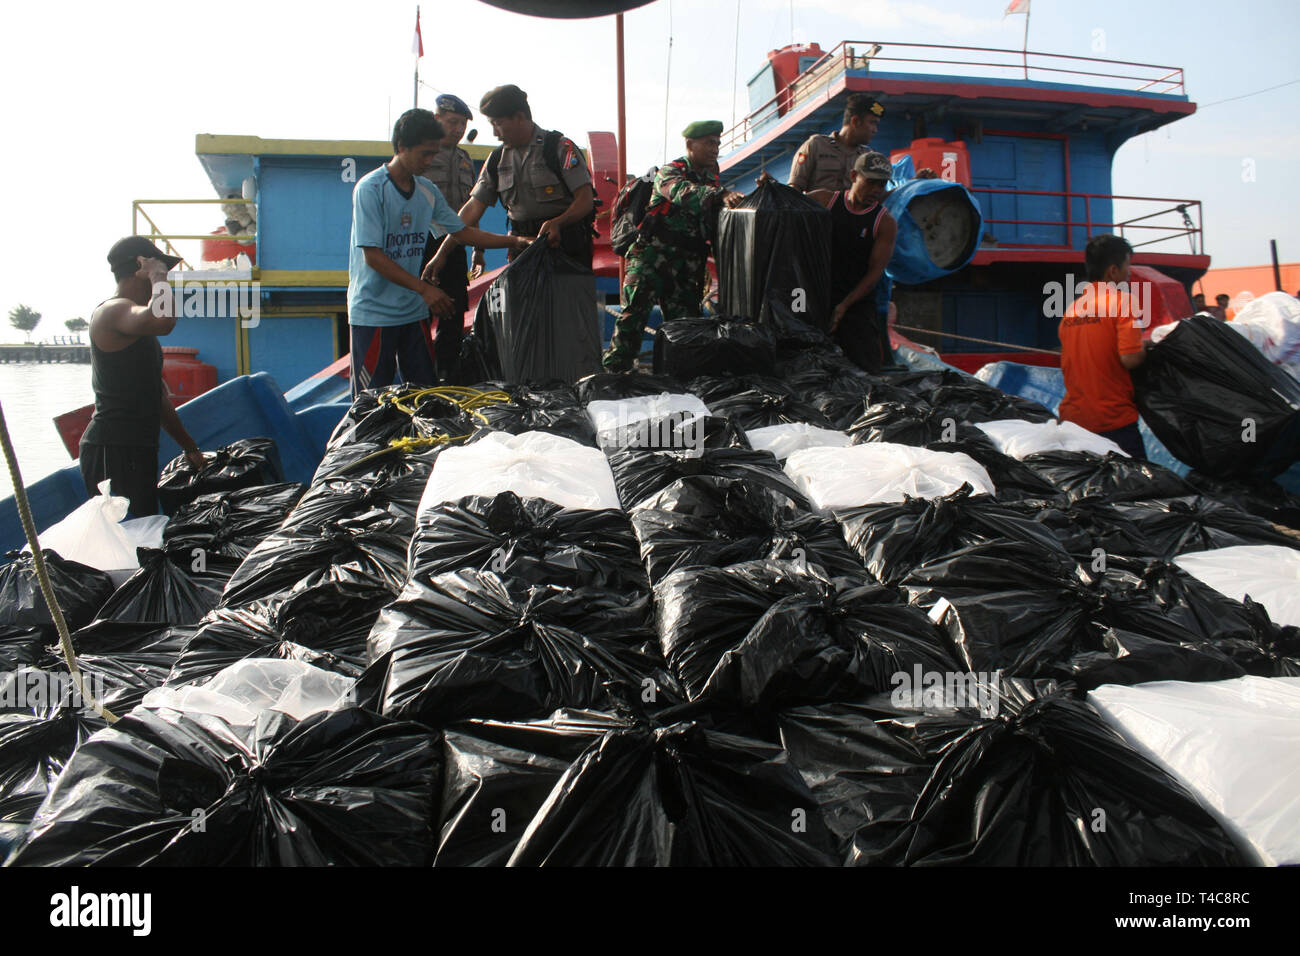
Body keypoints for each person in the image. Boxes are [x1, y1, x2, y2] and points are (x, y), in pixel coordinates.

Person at [348, 108, 528, 398]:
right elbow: (373, 255)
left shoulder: (426, 190)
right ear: (402, 147)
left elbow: (462, 231)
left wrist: (515, 241)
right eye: (424, 154)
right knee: (370, 403)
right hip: (374, 315)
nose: (430, 161)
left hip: (412, 313)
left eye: (434, 154)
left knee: (426, 397)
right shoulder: (371, 189)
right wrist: (425, 290)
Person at [602, 120, 744, 372]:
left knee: (685, 326)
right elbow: (683, 193)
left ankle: (678, 377)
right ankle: (614, 376)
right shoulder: (670, 172)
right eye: (709, 143)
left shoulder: (711, 177)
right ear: (690, 144)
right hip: (651, 255)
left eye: (717, 143)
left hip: (687, 263)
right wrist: (718, 195)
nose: (715, 149)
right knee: (632, 318)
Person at [80, 237, 206, 517]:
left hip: (138, 448)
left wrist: (189, 447)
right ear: (141, 266)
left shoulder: (138, 328)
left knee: (144, 533)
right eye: (161, 270)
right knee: (128, 538)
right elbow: (164, 321)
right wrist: (158, 275)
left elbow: (156, 397)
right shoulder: (113, 311)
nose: (164, 279)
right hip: (112, 449)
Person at [441, 84, 595, 272]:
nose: (495, 133)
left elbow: (585, 200)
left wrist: (558, 222)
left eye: (498, 124)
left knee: (568, 301)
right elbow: (472, 209)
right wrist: (442, 254)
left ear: (520, 117)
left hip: (566, 251)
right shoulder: (496, 159)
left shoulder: (559, 148)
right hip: (522, 253)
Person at [1057, 233, 1149, 460]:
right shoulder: (1123, 302)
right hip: (1114, 423)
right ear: (1113, 271)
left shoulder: (1071, 312)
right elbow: (1131, 358)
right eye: (1128, 266)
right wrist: (1148, 346)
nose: (1129, 273)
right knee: (1140, 490)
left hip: (1074, 423)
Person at [805, 151, 898, 373]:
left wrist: (843, 306)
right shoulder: (823, 200)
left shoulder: (884, 223)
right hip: (815, 294)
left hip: (857, 300)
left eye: (882, 185)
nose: (876, 190)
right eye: (871, 183)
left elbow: (874, 274)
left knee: (868, 367)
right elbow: (785, 204)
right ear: (854, 175)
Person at [420, 93, 478, 381]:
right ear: (437, 119)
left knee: (454, 309)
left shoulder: (466, 160)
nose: (458, 130)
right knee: (419, 310)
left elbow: (472, 206)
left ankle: (446, 375)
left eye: (462, 125)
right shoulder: (421, 155)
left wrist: (478, 249)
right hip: (423, 242)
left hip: (455, 243)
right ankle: (419, 375)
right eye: (453, 122)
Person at [788, 93, 885, 193]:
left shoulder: (868, 157)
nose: (875, 130)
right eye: (872, 123)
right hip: (816, 207)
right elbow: (794, 189)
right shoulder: (816, 145)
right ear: (855, 121)